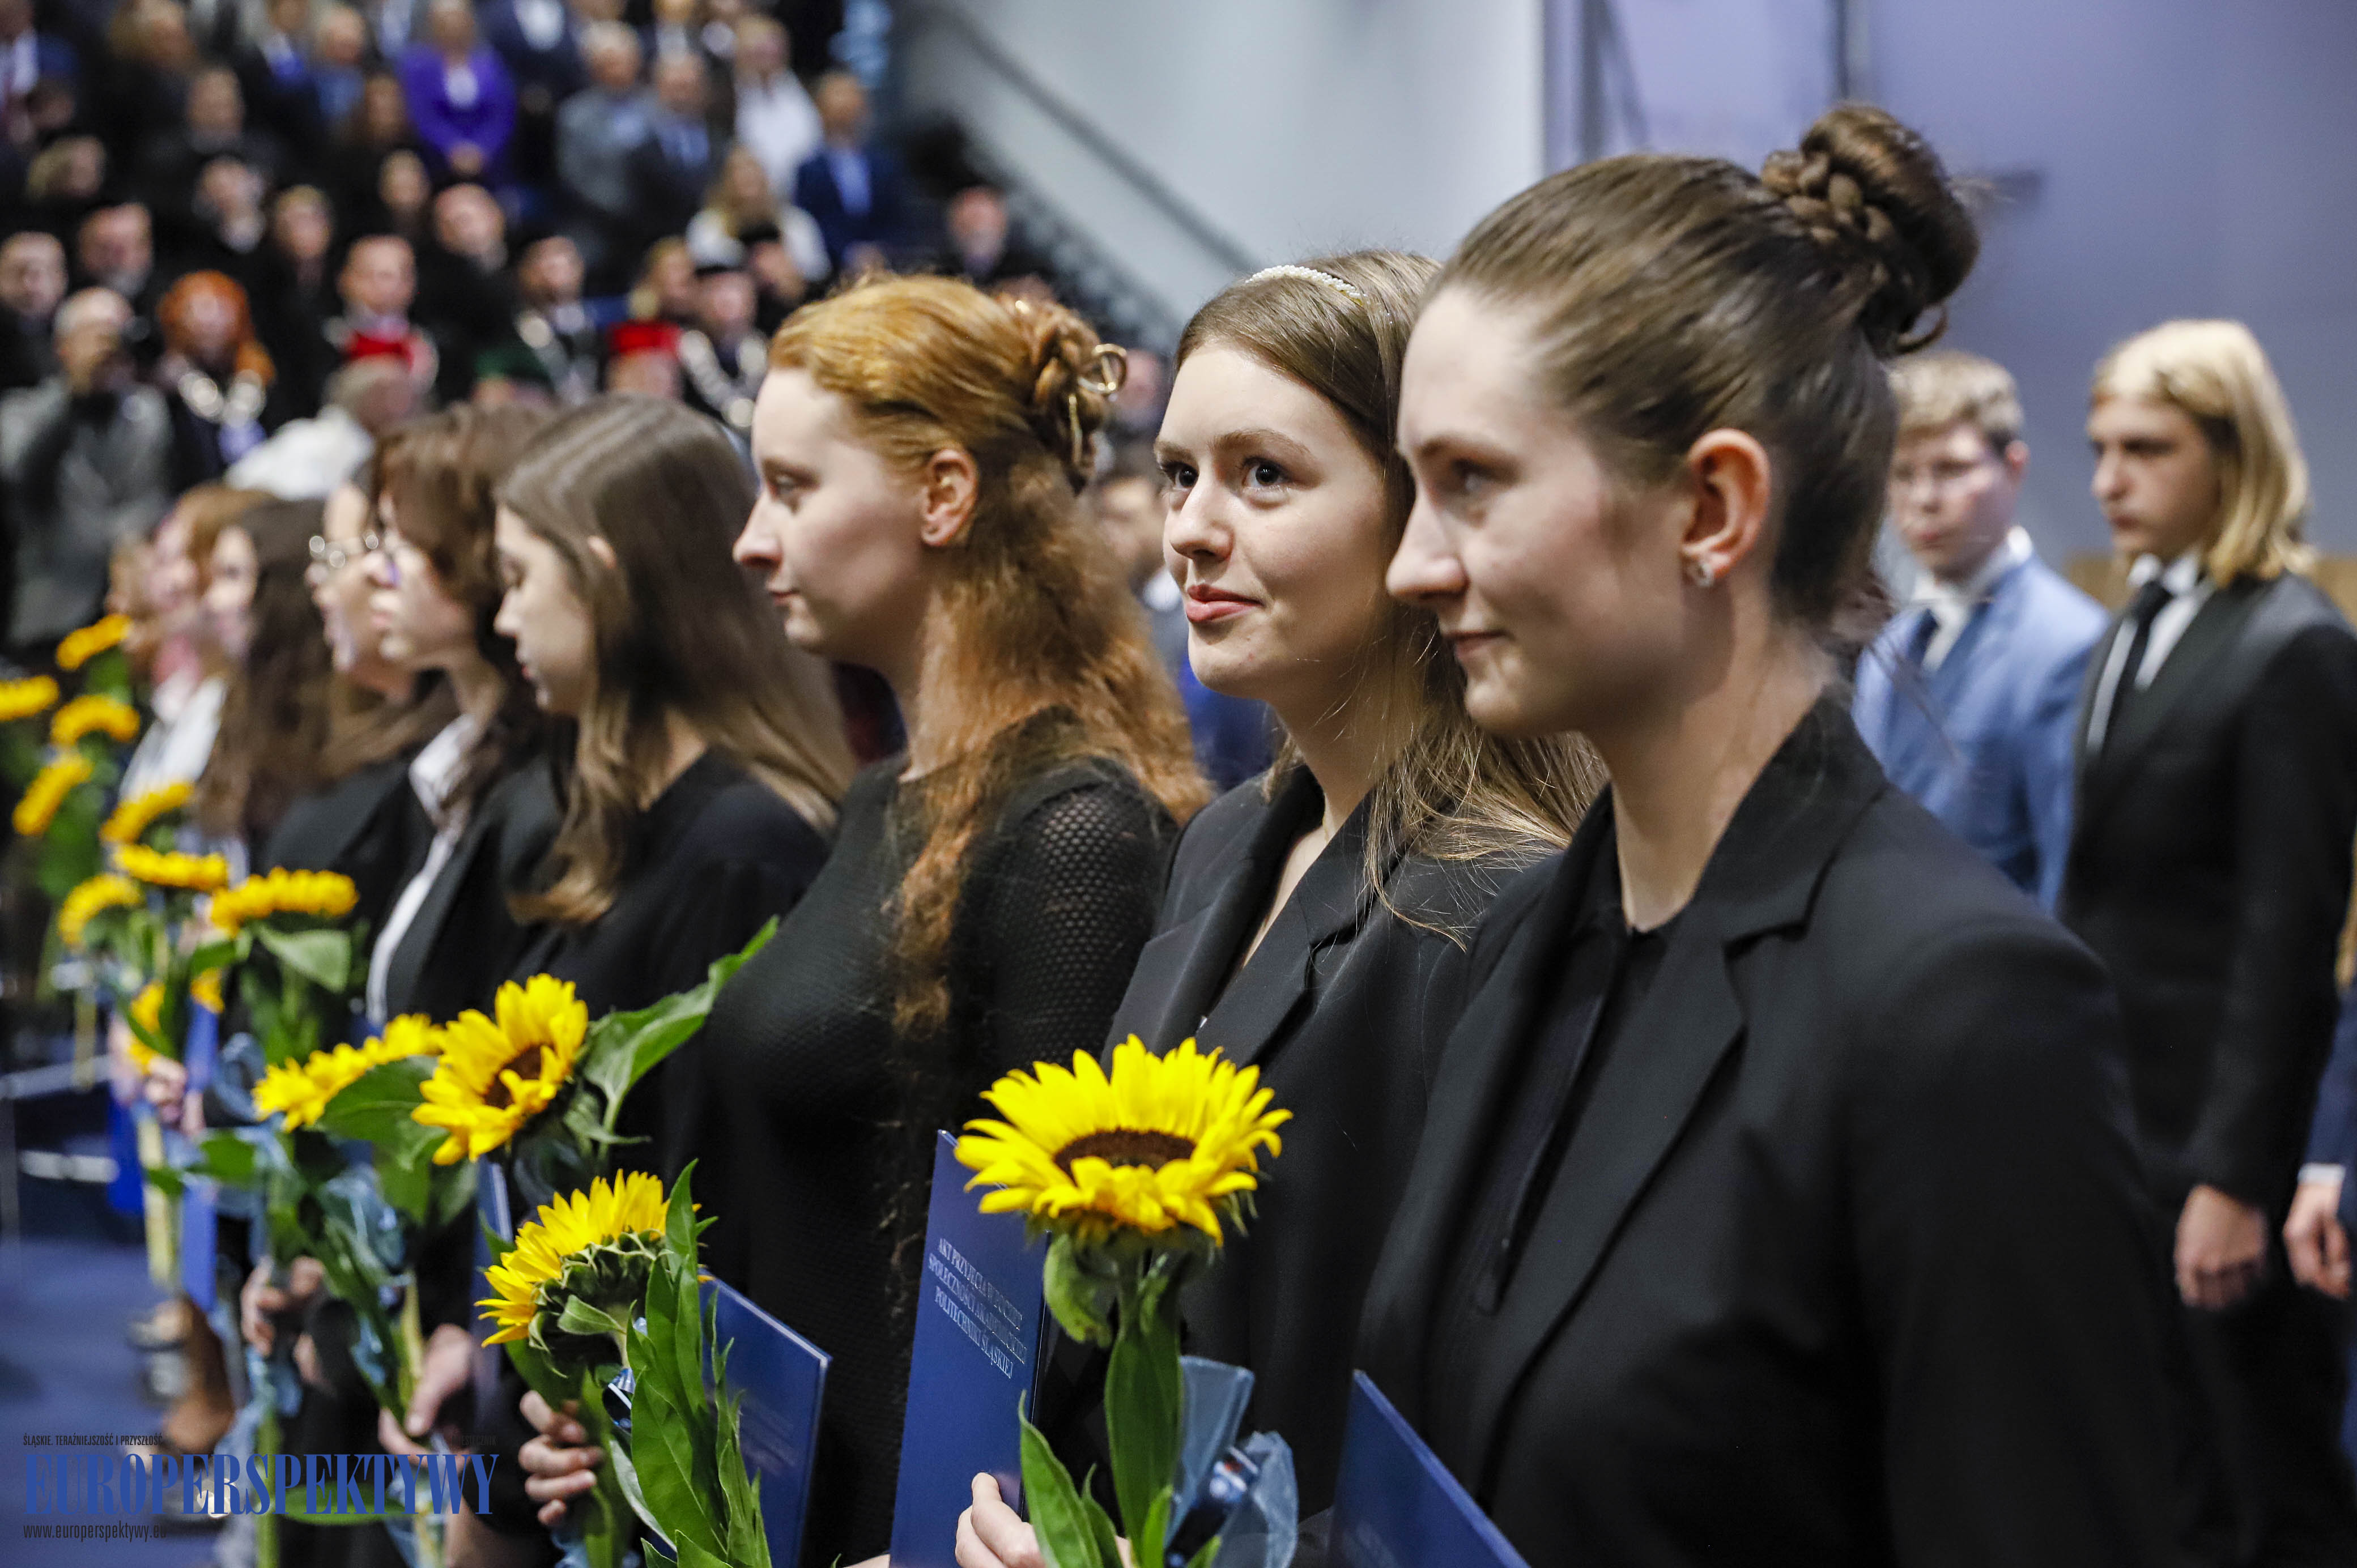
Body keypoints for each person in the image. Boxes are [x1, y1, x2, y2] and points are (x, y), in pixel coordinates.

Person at [1230, 105, 2167, 1567]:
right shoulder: (1530, 937)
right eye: (1414, 491)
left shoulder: (1956, 1010)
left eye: (1473, 484)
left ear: (1713, 509)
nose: (1413, 564)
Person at [521, 276, 1205, 1563]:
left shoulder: (1071, 829)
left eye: (791, 488)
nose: (750, 541)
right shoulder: (884, 794)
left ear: (942, 495)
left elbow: (1046, 1312)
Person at [990, 256, 1601, 1549]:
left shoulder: (1508, 902)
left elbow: (1477, 1458)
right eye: (1180, 474)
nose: (1192, 529)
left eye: (1263, 474)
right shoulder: (1226, 841)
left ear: (1422, 513)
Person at [2063, 318, 2357, 1563]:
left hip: (2221, 1154)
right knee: (2168, 1478)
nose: (2108, 479)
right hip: (2129, 1127)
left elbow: (2287, 941)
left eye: (2146, 449)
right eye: (2100, 448)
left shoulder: (2296, 642)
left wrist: (2233, 1180)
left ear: (2231, 457)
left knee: (2262, 1492)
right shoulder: (2137, 618)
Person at [1852, 349, 2108, 908]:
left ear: (2012, 469)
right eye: (1902, 474)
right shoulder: (1891, 644)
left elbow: (2066, 875)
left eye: (1950, 469)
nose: (1924, 499)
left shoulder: (2069, 644)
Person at [360, 403, 554, 1029]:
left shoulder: (542, 788)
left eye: (401, 542)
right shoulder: (451, 759)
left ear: (479, 553)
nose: (372, 570)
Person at [0, 287, 173, 650]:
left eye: (120, 331)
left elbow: (159, 496)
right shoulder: (20, 413)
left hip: (135, 608)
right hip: (52, 611)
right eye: (97, 333)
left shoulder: (149, 411)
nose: (110, 345)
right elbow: (25, 481)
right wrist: (75, 396)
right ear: (63, 347)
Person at [193, 496, 333, 859]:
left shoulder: (331, 717)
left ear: (286, 588)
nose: (213, 601)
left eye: (232, 575)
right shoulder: (238, 703)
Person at [156, 269, 283, 487]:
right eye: (196, 310)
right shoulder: (169, 386)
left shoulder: (260, 374)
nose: (209, 320)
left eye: (220, 308)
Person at [552, 20, 648, 288]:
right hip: (596, 224)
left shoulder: (655, 108)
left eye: (624, 61)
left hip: (650, 221)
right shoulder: (575, 116)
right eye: (609, 63)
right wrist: (621, 207)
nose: (618, 69)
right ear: (593, 67)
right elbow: (573, 176)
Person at [793, 70, 903, 274]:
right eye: (836, 101)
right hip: (830, 268)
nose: (843, 109)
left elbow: (897, 218)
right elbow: (809, 223)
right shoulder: (809, 171)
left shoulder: (884, 165)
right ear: (821, 110)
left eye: (850, 99)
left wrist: (880, 251)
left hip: (885, 265)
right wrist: (848, 253)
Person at [397, 0, 515, 182]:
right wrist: (452, 148)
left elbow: (502, 112)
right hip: (436, 164)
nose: (453, 26)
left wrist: (483, 148)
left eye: (458, 19)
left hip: (488, 163)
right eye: (446, 20)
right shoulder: (417, 65)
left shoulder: (490, 62)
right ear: (433, 24)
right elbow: (421, 114)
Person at [627, 50, 724, 257]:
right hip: (659, 248)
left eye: (689, 86)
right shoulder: (640, 151)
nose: (683, 94)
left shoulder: (722, 141)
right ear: (658, 88)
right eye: (675, 86)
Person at [730, 13, 815, 201]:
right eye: (758, 49)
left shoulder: (801, 91)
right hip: (747, 196)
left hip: (799, 193)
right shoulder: (727, 96)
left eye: (772, 47)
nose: (766, 54)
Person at [0, 229, 67, 391]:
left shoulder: (80, 327)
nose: (29, 286)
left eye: (41, 273)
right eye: (18, 273)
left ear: (62, 277)